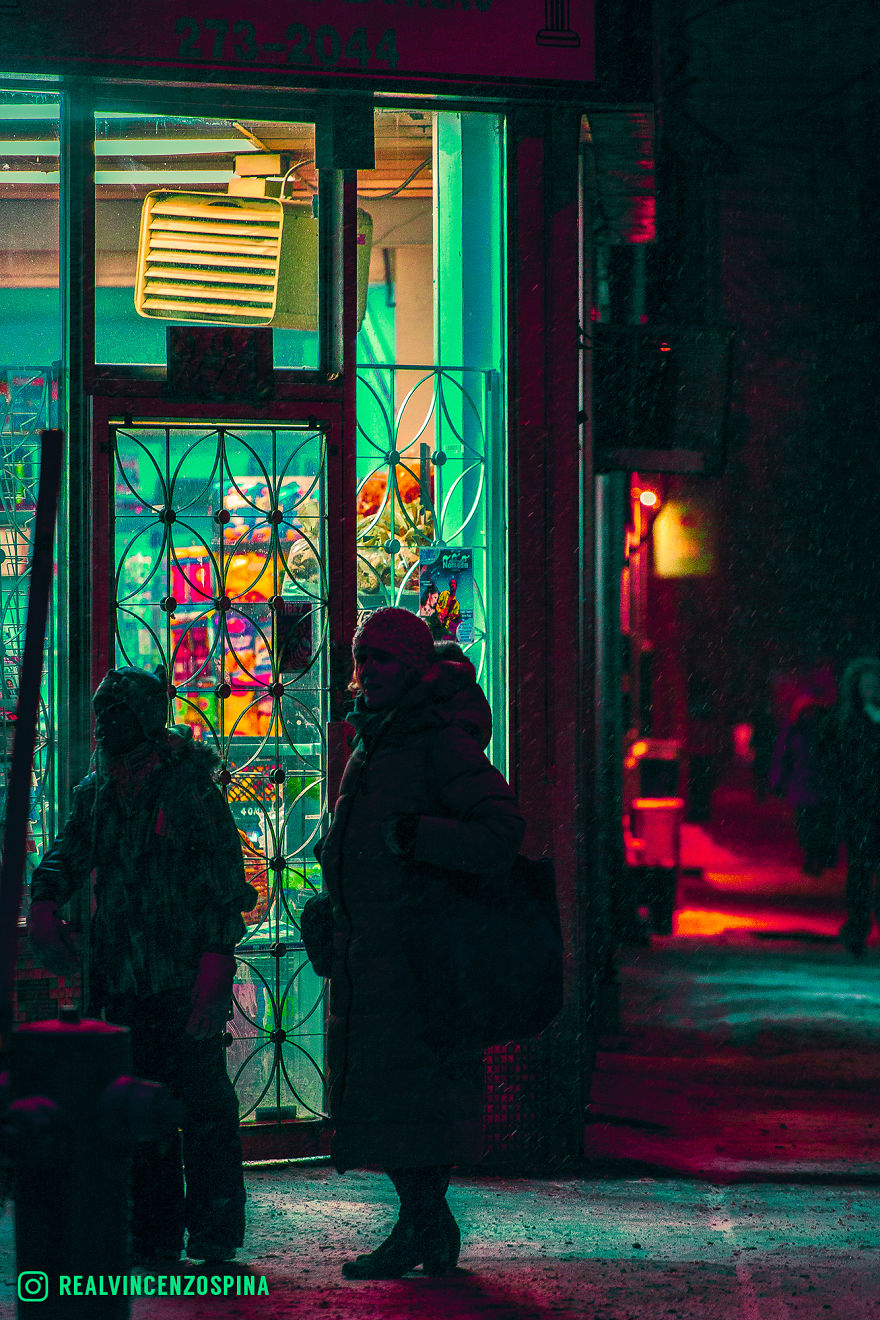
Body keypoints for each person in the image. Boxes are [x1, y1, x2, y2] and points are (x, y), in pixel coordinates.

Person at [317, 607, 524, 1279]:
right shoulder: (376, 739)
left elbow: (500, 831)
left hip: (416, 956)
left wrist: (417, 838)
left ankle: (421, 1228)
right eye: (361, 658)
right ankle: (426, 1229)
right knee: (397, 1101)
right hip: (377, 953)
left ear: (410, 667)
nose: (368, 670)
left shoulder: (436, 740)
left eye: (381, 658)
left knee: (414, 1102)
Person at [27, 665, 257, 1265]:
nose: (105, 726)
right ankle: (154, 1230)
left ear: (147, 720)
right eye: (102, 714)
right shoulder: (99, 792)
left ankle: (213, 1229)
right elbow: (68, 852)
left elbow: (223, 888)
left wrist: (214, 965)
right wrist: (44, 899)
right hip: (125, 978)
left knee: (201, 1102)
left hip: (181, 977)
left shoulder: (190, 791)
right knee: (139, 1104)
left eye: (118, 713)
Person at [826, 656, 880, 956]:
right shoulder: (847, 721)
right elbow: (832, 760)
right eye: (867, 684)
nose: (872, 689)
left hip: (868, 804)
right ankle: (857, 928)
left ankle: (861, 927)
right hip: (859, 807)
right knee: (860, 870)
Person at [769, 693, 837, 875]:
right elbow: (782, 757)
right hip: (802, 787)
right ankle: (811, 857)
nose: (810, 714)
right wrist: (778, 781)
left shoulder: (826, 730)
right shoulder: (792, 731)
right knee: (806, 825)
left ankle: (819, 857)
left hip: (822, 787)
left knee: (821, 825)